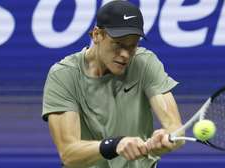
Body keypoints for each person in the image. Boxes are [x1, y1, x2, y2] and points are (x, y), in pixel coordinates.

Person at [42, 1, 184, 168]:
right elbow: (68, 153)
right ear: (96, 35)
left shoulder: (145, 63)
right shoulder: (64, 75)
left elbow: (175, 128)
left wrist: (166, 139)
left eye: (132, 46)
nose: (125, 54)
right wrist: (113, 145)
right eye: (118, 44)